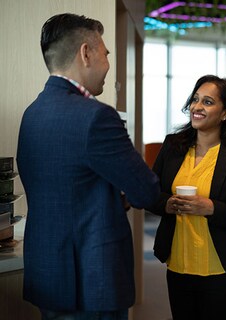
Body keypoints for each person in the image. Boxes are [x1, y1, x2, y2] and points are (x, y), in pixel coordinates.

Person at [16, 13, 160, 320]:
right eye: (105, 53)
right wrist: (121, 197)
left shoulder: (32, 113)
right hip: (90, 279)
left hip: (47, 271)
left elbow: (64, 185)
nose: (107, 63)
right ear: (86, 53)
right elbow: (146, 190)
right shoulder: (97, 116)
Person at [146, 75, 226, 320]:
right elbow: (151, 194)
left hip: (222, 270)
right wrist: (167, 203)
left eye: (208, 102)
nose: (197, 107)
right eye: (195, 100)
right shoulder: (173, 145)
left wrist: (211, 208)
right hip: (178, 266)